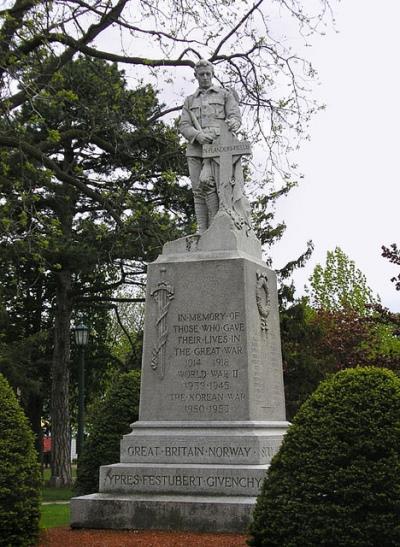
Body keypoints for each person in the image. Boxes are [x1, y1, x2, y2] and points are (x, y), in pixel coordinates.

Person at [179, 59, 242, 233]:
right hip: (196, 149)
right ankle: (202, 229)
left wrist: (233, 123)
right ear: (196, 76)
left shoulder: (224, 94)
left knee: (218, 188)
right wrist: (198, 135)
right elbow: (183, 125)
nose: (205, 77)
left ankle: (217, 227)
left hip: (219, 148)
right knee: (199, 189)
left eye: (208, 74)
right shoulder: (190, 101)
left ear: (213, 74)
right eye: (201, 75)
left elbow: (235, 116)